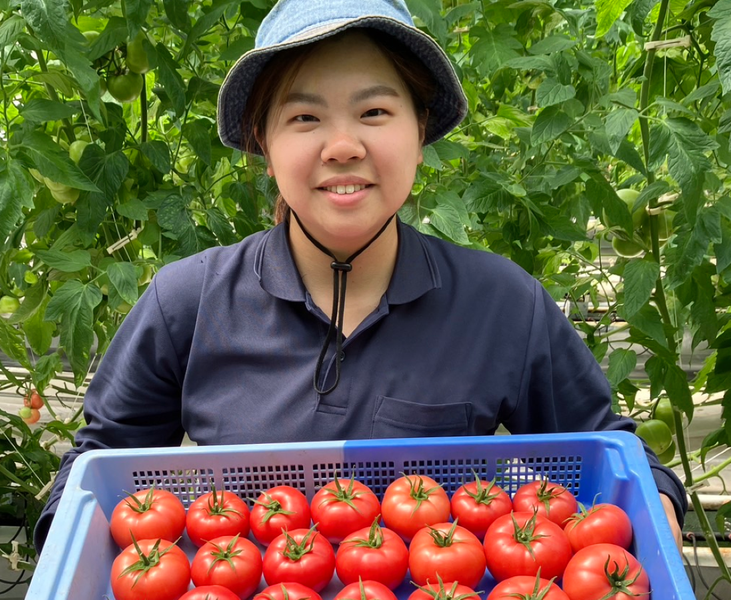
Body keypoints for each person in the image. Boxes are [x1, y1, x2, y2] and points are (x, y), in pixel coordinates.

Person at [34, 0, 686, 552]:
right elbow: (96, 468)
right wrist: (76, 544)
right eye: (305, 117)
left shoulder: (500, 304)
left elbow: (614, 460)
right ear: (264, 145)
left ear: (420, 132)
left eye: (375, 112)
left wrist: (654, 512)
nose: (342, 145)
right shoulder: (188, 301)